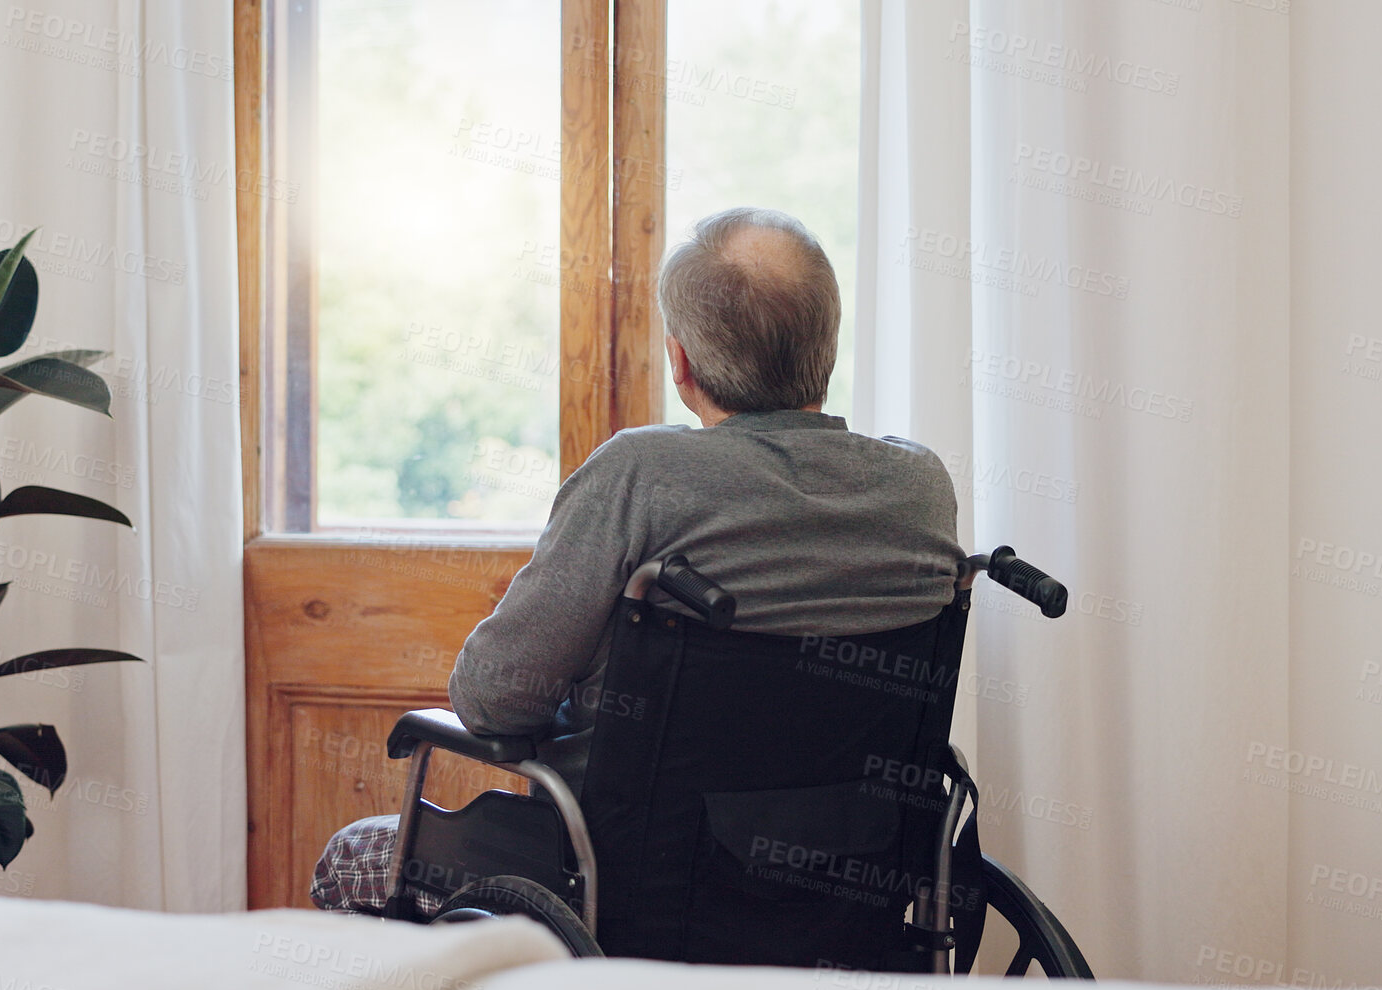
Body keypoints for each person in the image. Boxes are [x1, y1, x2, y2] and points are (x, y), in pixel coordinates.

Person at [310, 207, 966, 915]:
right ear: (827, 345)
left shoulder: (643, 474)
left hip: (629, 884)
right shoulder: (917, 487)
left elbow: (492, 697)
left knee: (354, 853)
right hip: (846, 886)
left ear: (678, 361)